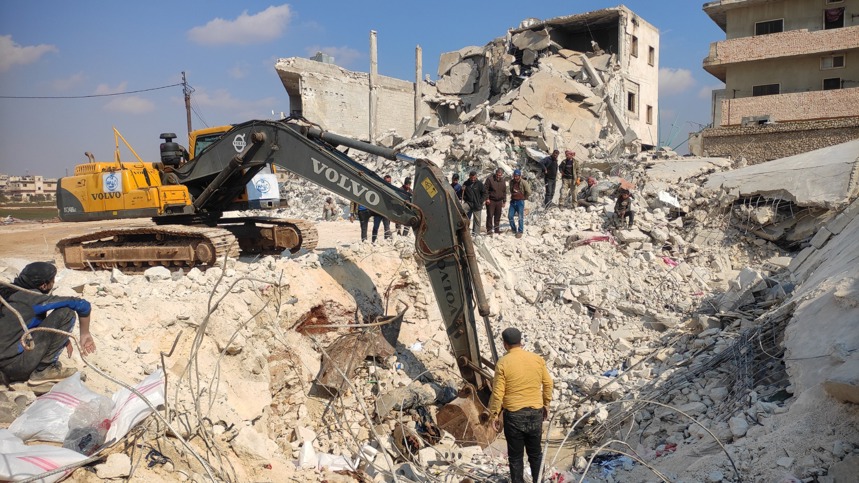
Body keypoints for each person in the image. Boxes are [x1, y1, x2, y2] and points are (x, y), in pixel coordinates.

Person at [0, 262, 96, 385]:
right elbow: (82, 305)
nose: (54, 283)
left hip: (3, 366)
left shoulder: (8, 294)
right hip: (16, 367)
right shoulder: (33, 298)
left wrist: (62, 338)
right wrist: (85, 334)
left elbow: (23, 326)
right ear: (44, 285)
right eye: (53, 280)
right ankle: (44, 370)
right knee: (66, 313)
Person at [488, 328, 553, 483]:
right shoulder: (537, 359)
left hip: (514, 416)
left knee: (516, 458)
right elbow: (548, 383)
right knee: (535, 454)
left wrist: (494, 415)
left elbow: (498, 393)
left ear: (505, 344)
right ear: (521, 342)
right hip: (535, 413)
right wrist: (546, 404)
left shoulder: (503, 363)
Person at [508, 169, 531, 238]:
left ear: (519, 176)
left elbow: (529, 191)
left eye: (517, 176)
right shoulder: (511, 182)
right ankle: (514, 229)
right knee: (510, 216)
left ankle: (520, 231)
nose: (515, 177)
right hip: (513, 201)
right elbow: (511, 190)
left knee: (520, 217)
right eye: (514, 176)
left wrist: (524, 197)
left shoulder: (523, 182)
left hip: (520, 202)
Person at [483, 168, 507, 236]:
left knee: (498, 216)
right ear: (495, 173)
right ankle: (489, 230)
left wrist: (504, 201)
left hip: (499, 201)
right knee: (490, 215)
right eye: (497, 174)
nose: (498, 176)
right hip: (491, 200)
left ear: (502, 175)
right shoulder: (490, 179)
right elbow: (485, 189)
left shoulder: (503, 181)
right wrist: (487, 198)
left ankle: (497, 229)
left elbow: (504, 191)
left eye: (500, 175)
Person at [462, 170, 485, 237]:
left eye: (474, 178)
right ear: (469, 176)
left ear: (476, 177)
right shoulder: (466, 183)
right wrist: (462, 190)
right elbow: (463, 194)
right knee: (461, 211)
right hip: (469, 203)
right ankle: (465, 230)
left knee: (477, 220)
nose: (473, 179)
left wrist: (481, 201)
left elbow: (484, 193)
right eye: (471, 178)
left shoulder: (479, 184)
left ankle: (476, 234)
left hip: (477, 204)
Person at [371, 175, 394, 243]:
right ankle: (373, 241)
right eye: (386, 181)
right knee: (375, 227)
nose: (388, 183)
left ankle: (386, 242)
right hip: (378, 211)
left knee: (387, 228)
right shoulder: (379, 188)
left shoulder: (392, 190)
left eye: (389, 182)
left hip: (386, 212)